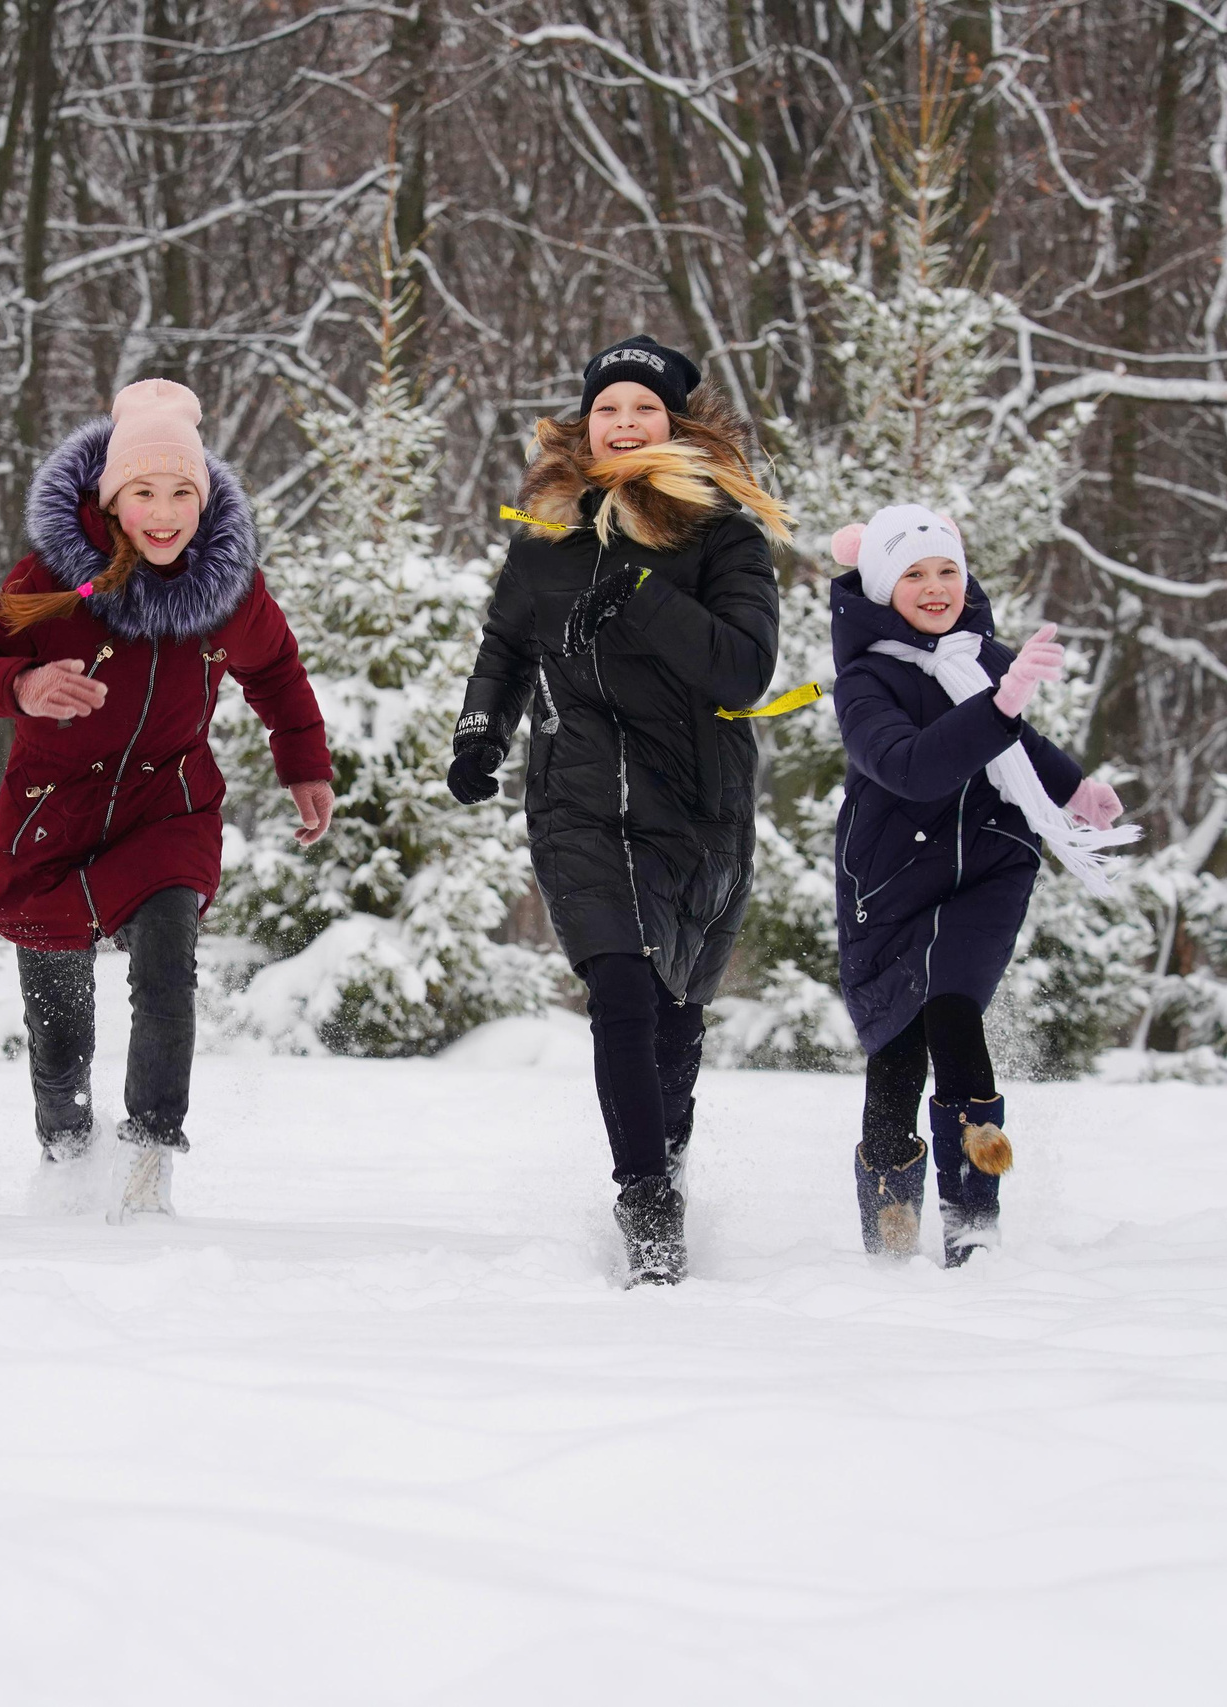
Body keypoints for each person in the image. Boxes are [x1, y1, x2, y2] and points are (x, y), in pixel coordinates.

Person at [0, 379, 334, 1219]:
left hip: (169, 806)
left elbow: (277, 670)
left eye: (183, 491)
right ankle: (68, 1158)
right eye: (143, 491)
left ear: (206, 496)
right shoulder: (52, 582)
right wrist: (24, 681)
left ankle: (150, 1157)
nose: (164, 511)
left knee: (166, 971)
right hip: (53, 814)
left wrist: (304, 765)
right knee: (62, 1020)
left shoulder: (229, 590)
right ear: (111, 499)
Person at [448, 336, 786, 1284]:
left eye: (643, 409)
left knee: (675, 1011)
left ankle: (667, 1163)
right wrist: (480, 734)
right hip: (580, 800)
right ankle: (648, 1206)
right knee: (624, 990)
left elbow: (743, 666)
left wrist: (636, 591)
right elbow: (505, 646)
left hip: (698, 805)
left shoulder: (724, 535)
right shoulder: (546, 535)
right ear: (586, 425)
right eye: (608, 409)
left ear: (673, 424)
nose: (625, 423)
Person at [825, 504, 1137, 1265]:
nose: (936, 588)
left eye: (948, 571)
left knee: (955, 1008)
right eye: (914, 574)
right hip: (894, 877)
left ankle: (973, 1221)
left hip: (989, 867)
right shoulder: (866, 680)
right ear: (879, 583)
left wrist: (1072, 788)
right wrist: (1000, 705)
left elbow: (1018, 742)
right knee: (897, 1041)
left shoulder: (984, 657)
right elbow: (910, 766)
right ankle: (892, 1222)